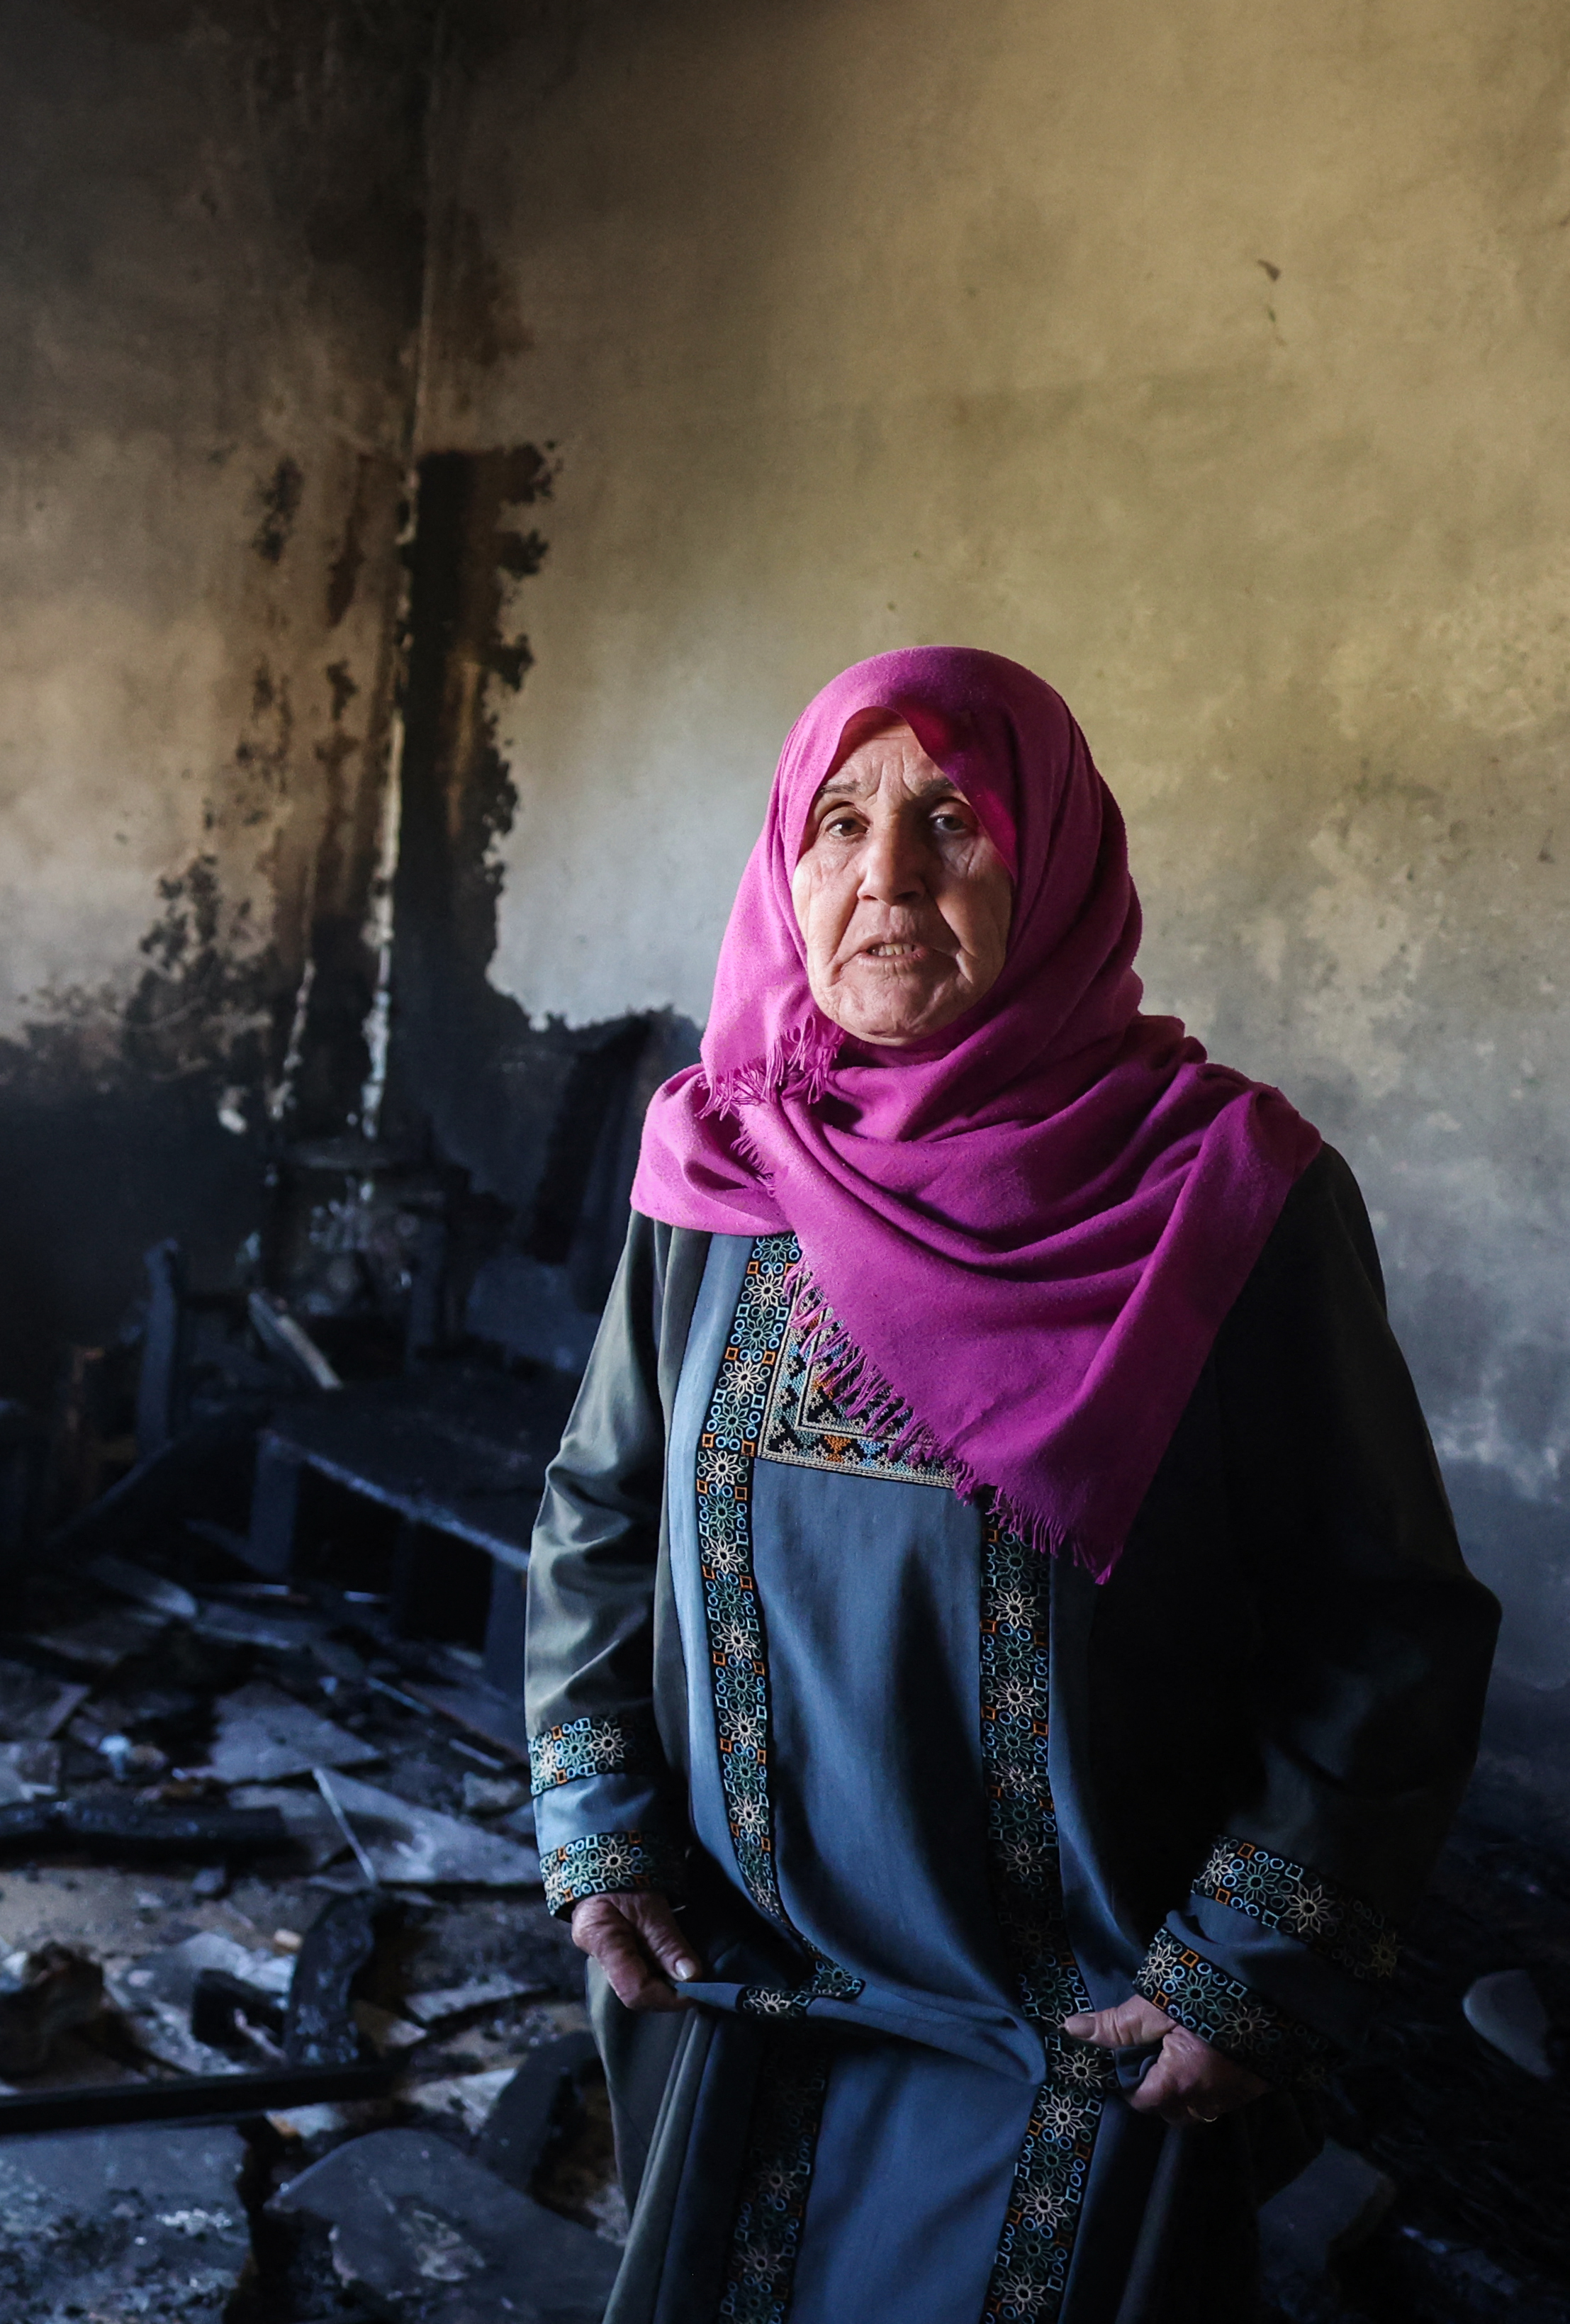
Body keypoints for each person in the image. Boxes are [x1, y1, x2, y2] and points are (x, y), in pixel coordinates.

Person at [524, 646, 1500, 2323]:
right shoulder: (721, 1170)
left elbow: (1383, 1619)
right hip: (741, 2008)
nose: (886, 876)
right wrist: (598, 1824)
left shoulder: (1225, 1196)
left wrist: (1248, 1965)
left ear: (1051, 863)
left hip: (1078, 2050)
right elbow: (599, 1510)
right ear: (784, 862)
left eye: (952, 820)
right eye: (839, 820)